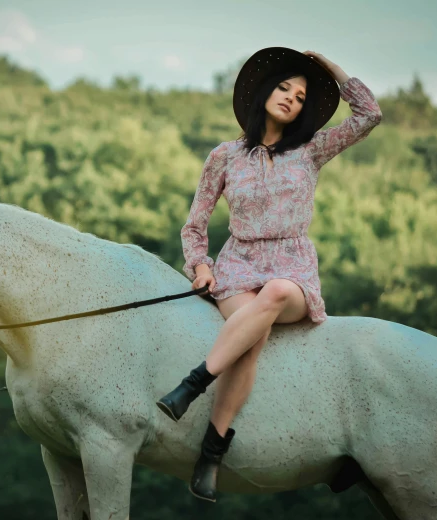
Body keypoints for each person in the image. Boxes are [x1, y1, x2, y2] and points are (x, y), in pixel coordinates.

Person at [156, 47, 383, 502]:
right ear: (263, 92)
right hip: (237, 267)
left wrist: (332, 72)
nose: (291, 98)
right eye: (284, 88)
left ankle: (194, 382)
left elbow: (369, 114)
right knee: (251, 338)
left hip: (292, 268)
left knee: (276, 293)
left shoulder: (312, 151)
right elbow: (195, 223)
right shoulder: (224, 157)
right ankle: (211, 455)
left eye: (301, 96)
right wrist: (199, 265)